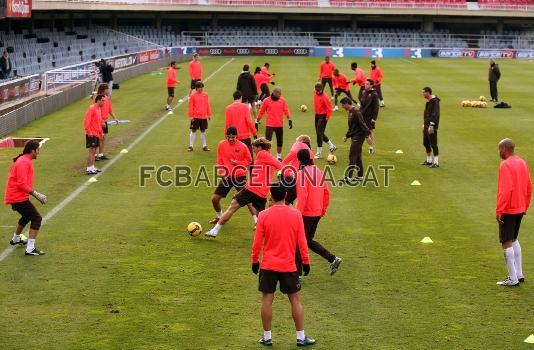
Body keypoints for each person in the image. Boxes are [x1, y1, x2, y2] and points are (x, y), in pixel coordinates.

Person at [251, 183, 315, 347]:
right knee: (295, 299)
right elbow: (302, 241)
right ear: (286, 195)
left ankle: (267, 337)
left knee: (267, 299)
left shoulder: (264, 215)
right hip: (288, 266)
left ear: (271, 196)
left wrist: (254, 260)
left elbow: (257, 241)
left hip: (268, 265)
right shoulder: (296, 215)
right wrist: (306, 262)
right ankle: (300, 337)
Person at [205, 138, 282, 238]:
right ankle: (274, 234)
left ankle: (214, 231)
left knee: (232, 207)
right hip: (262, 193)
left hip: (252, 190)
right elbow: (278, 166)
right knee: (261, 218)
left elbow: (280, 166)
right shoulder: (269, 157)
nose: (253, 150)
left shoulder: (262, 154)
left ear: (259, 147)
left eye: (254, 148)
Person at [295, 149, 342, 276]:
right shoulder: (318, 171)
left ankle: (298, 275)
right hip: (317, 212)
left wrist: (297, 214)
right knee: (308, 241)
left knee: (299, 242)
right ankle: (333, 259)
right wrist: (323, 209)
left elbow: (303, 196)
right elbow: (327, 192)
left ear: (299, 160)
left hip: (306, 214)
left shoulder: (301, 174)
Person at [495, 138, 532, 287]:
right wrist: (525, 205)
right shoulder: (522, 162)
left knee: (506, 241)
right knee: (514, 238)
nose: (498, 152)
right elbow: (529, 185)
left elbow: (505, 190)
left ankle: (512, 278)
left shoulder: (505, 165)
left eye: (499, 149)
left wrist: (499, 210)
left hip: (509, 209)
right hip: (520, 207)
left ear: (504, 149)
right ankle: (519, 274)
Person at [4, 140, 47, 256]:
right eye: (38, 150)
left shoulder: (24, 160)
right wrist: (36, 194)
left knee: (27, 216)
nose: (39, 152)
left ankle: (16, 238)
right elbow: (21, 184)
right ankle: (30, 249)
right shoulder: (23, 162)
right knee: (37, 218)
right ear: (32, 151)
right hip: (17, 197)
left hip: (17, 196)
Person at [209, 126, 252, 225]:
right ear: (226, 136)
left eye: (233, 137)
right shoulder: (221, 145)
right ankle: (219, 217)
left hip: (239, 177)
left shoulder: (243, 146)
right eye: (228, 136)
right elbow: (219, 161)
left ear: (237, 136)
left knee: (248, 199)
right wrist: (222, 173)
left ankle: (256, 221)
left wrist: (237, 163)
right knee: (214, 199)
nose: (231, 139)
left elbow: (249, 160)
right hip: (227, 177)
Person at [340, 97, 371, 184]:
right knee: (357, 157)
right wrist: (347, 136)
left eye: (343, 105)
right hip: (354, 136)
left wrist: (368, 135)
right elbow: (352, 127)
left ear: (347, 103)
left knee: (352, 156)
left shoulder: (357, 112)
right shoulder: (350, 112)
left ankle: (348, 178)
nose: (342, 107)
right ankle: (360, 176)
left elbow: (363, 124)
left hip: (358, 137)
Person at [256, 87, 292, 161]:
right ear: (275, 93)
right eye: (279, 94)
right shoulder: (266, 101)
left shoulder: (282, 101)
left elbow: (286, 110)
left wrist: (289, 119)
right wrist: (257, 121)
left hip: (279, 125)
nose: (280, 95)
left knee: (280, 141)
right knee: (267, 141)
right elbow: (261, 111)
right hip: (270, 125)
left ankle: (279, 156)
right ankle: (267, 155)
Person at [225, 90, 257, 157]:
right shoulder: (245, 107)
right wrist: (254, 133)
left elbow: (227, 124)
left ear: (233, 98)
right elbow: (249, 122)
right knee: (249, 157)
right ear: (241, 97)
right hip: (245, 136)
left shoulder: (228, 108)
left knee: (235, 157)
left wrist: (226, 136)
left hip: (233, 137)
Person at [94, 83, 118, 161]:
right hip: (98, 122)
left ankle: (100, 154)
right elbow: (96, 110)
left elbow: (110, 110)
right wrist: (101, 121)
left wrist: (115, 118)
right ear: (103, 90)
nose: (108, 90)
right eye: (107, 89)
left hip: (105, 121)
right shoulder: (97, 98)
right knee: (98, 139)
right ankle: (95, 155)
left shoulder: (107, 98)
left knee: (103, 138)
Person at [312, 83, 336, 159]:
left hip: (323, 117)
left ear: (322, 89)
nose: (317, 92)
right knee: (319, 133)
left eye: (319, 90)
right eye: (316, 90)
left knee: (319, 134)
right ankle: (331, 145)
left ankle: (319, 153)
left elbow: (330, 109)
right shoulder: (315, 92)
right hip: (317, 115)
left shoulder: (325, 97)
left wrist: (326, 119)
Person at [188, 81, 212, 152]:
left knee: (203, 131)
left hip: (203, 117)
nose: (201, 89)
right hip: (195, 117)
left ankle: (204, 146)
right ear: (196, 88)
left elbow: (207, 105)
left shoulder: (205, 95)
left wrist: (209, 114)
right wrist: (191, 116)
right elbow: (190, 106)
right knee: (193, 130)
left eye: (202, 87)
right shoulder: (193, 96)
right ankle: (191, 146)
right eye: (199, 87)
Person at [84, 94, 105, 175]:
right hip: (91, 133)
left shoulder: (99, 109)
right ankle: (88, 168)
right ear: (98, 100)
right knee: (91, 151)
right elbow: (86, 120)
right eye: (103, 100)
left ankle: (92, 167)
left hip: (96, 133)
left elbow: (98, 122)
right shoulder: (92, 108)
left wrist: (101, 132)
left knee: (94, 151)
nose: (104, 102)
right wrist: (88, 131)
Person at [421, 86, 440, 168]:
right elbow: (426, 115)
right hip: (426, 125)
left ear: (428, 92)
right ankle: (429, 160)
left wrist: (432, 125)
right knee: (426, 143)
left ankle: (436, 162)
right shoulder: (428, 102)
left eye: (423, 92)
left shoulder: (434, 102)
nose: (422, 94)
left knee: (433, 144)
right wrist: (424, 124)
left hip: (431, 126)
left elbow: (435, 114)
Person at [359, 79, 379, 154]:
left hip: (369, 117)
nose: (365, 85)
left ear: (371, 85)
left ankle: (371, 147)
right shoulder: (363, 92)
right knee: (360, 130)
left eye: (367, 84)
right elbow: (361, 104)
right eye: (365, 83)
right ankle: (358, 146)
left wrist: (374, 119)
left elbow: (376, 108)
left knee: (369, 132)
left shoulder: (374, 94)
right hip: (361, 115)